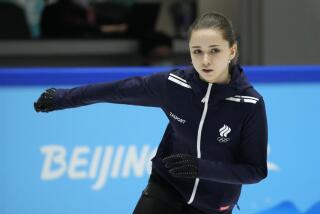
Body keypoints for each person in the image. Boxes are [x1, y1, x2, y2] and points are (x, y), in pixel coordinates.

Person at [34, 12, 268, 214]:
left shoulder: (249, 104)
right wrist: (63, 98)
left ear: (232, 50)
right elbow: (117, 90)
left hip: (214, 205)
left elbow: (255, 171)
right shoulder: (174, 85)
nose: (205, 60)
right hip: (166, 188)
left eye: (214, 50)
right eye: (197, 51)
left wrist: (201, 168)